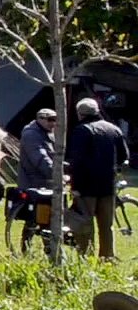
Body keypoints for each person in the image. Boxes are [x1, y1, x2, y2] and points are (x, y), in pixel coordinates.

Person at [66, 97, 131, 260]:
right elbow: (124, 156)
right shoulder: (113, 129)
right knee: (106, 225)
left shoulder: (82, 130)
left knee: (85, 224)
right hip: (108, 185)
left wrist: (75, 187)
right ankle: (107, 258)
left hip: (87, 186)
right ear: (97, 111)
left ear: (80, 114)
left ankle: (86, 257)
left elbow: (77, 161)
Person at [18, 108, 57, 189]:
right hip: (32, 185)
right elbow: (40, 159)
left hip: (44, 182)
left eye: (55, 120)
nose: (53, 123)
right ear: (40, 119)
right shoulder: (31, 135)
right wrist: (57, 174)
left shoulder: (47, 132)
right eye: (50, 120)